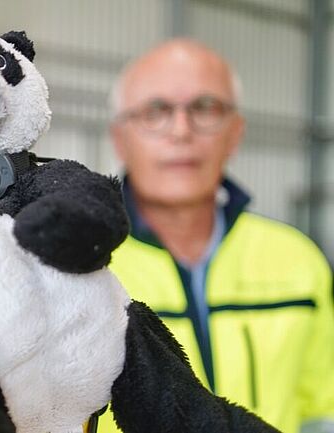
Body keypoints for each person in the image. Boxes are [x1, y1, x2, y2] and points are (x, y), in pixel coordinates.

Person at [99, 38, 334, 433]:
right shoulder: (83, 267)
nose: (181, 130)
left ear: (235, 133)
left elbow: (321, 410)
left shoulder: (297, 260)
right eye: (156, 111)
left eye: (205, 108)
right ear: (121, 138)